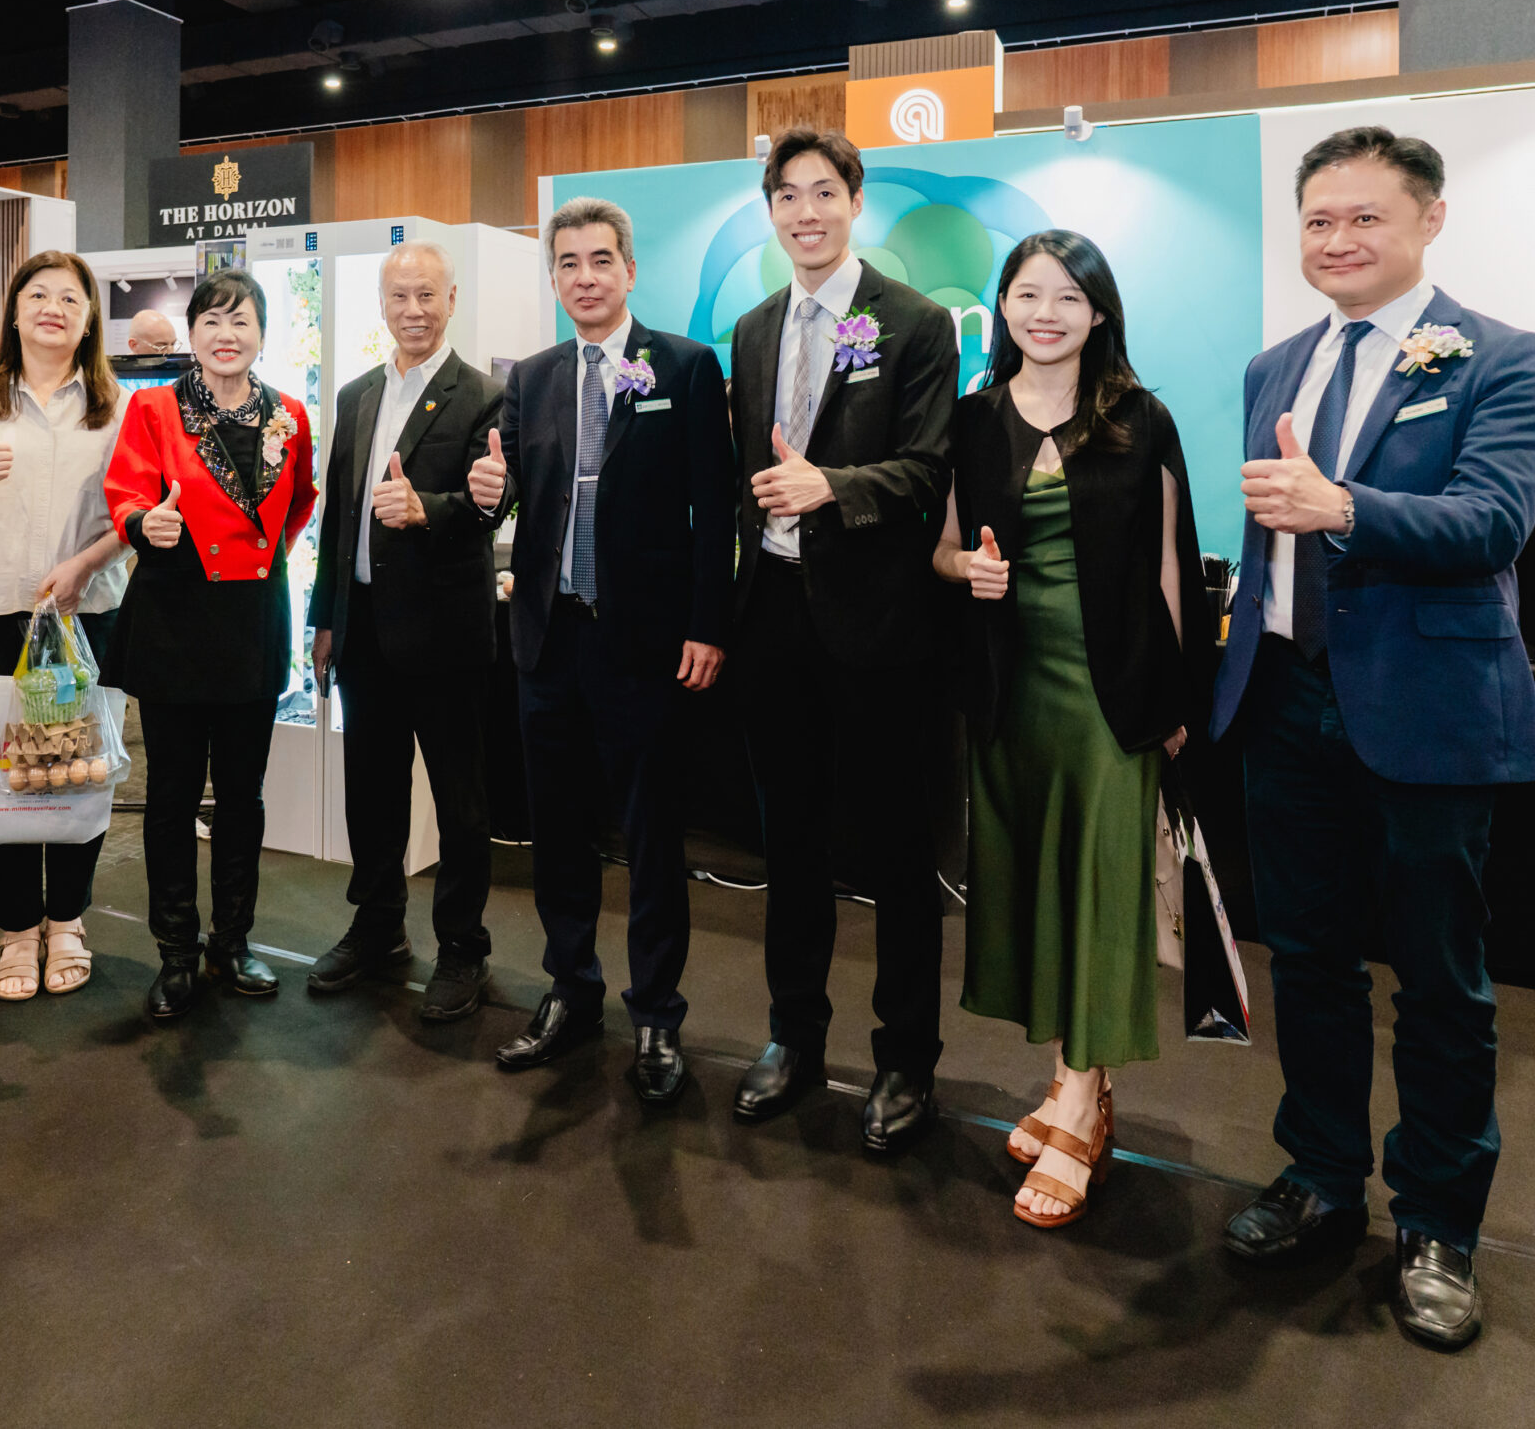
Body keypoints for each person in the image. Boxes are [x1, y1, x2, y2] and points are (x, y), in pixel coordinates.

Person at [1212, 126, 1535, 1352]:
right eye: (1318, 219)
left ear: (1428, 220)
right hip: (1283, 702)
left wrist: (1342, 507)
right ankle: (1318, 1174)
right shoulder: (1272, 367)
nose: (1338, 239)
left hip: (1425, 711)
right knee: (1307, 962)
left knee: (1439, 982)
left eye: (1365, 216)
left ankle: (1437, 1224)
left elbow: (1491, 523)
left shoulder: (1500, 357)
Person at [933, 230, 1213, 1227]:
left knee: (1098, 890)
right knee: (1038, 887)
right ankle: (1067, 1081)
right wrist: (969, 569)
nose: (1044, 313)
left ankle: (1085, 1106)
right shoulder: (972, 419)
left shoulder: (1141, 418)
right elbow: (941, 548)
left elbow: (1172, 565)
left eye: (1066, 296)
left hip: (1112, 695)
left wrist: (1177, 702)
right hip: (1010, 695)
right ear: (1002, 307)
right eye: (1026, 293)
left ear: (1099, 313)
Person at [468, 196, 734, 1105]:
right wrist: (489, 490)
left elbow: (716, 509)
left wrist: (708, 623)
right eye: (568, 263)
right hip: (548, 640)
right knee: (558, 830)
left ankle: (656, 1011)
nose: (584, 277)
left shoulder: (684, 366)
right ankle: (571, 988)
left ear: (629, 270)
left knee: (652, 835)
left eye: (600, 261)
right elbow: (511, 494)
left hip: (645, 643)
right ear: (553, 277)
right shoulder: (534, 376)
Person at [724, 127, 957, 1153]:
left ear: (855, 201)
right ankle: (794, 1038)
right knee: (791, 845)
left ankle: (906, 1060)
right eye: (788, 195)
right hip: (772, 617)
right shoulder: (752, 330)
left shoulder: (914, 323)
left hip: (879, 625)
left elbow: (929, 468)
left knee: (898, 854)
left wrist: (832, 486)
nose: (805, 212)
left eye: (824, 192)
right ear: (771, 210)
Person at [103, 269, 317, 1021]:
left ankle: (233, 941)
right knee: (170, 797)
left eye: (241, 321)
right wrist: (145, 524)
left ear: (262, 334)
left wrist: (260, 562)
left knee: (242, 797)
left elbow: (299, 506)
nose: (227, 335)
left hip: (252, 620)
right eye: (212, 321)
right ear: (191, 334)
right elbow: (126, 493)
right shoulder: (154, 408)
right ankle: (175, 953)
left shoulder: (289, 414)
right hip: (174, 615)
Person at [304, 240, 503, 1021]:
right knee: (372, 791)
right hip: (363, 634)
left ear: (451, 299)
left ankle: (462, 946)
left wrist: (433, 508)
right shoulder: (357, 394)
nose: (413, 311)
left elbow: (494, 502)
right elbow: (338, 514)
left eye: (427, 296)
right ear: (382, 304)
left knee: (461, 802)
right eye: (399, 297)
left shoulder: (483, 396)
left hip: (446, 636)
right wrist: (325, 618)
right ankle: (378, 926)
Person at [0, 251, 129, 1003]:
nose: (53, 308)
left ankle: (68, 919)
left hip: (86, 611)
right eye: (38, 295)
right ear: (13, 312)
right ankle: (15, 929)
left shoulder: (118, 407)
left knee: (80, 763)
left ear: (89, 318)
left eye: (70, 298)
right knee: (4, 769)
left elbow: (134, 515)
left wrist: (83, 566)